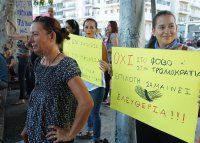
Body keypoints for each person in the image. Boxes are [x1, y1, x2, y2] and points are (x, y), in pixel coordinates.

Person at [20, 16, 93, 143]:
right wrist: (28, 125)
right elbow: (37, 97)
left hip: (52, 139)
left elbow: (86, 103)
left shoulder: (66, 65)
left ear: (51, 36)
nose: (30, 40)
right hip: (35, 133)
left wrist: (70, 134)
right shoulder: (39, 62)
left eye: (35, 34)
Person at [136, 10, 200, 143]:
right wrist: (116, 71)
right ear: (153, 31)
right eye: (161, 27)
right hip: (147, 118)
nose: (167, 31)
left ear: (176, 28)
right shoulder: (143, 57)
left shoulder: (192, 55)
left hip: (176, 122)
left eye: (171, 26)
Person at [76, 18, 109, 143]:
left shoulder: (100, 45)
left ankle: (96, 139)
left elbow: (107, 65)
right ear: (83, 29)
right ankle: (89, 131)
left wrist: (105, 66)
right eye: (86, 27)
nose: (89, 30)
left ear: (96, 29)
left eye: (91, 27)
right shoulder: (78, 44)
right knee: (84, 110)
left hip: (97, 84)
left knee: (94, 113)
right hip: (82, 83)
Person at [6, 19, 33, 105]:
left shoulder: (25, 37)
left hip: (23, 59)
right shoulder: (25, 34)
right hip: (25, 58)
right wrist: (10, 22)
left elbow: (9, 35)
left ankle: (22, 98)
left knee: (21, 78)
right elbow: (16, 29)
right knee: (27, 77)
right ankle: (29, 94)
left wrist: (6, 25)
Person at [103, 21, 118, 105]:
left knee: (108, 80)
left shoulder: (113, 35)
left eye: (109, 25)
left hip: (111, 61)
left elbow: (115, 47)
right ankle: (107, 98)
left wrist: (106, 50)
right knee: (108, 80)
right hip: (109, 60)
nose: (107, 27)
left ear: (113, 26)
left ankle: (108, 99)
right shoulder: (111, 35)